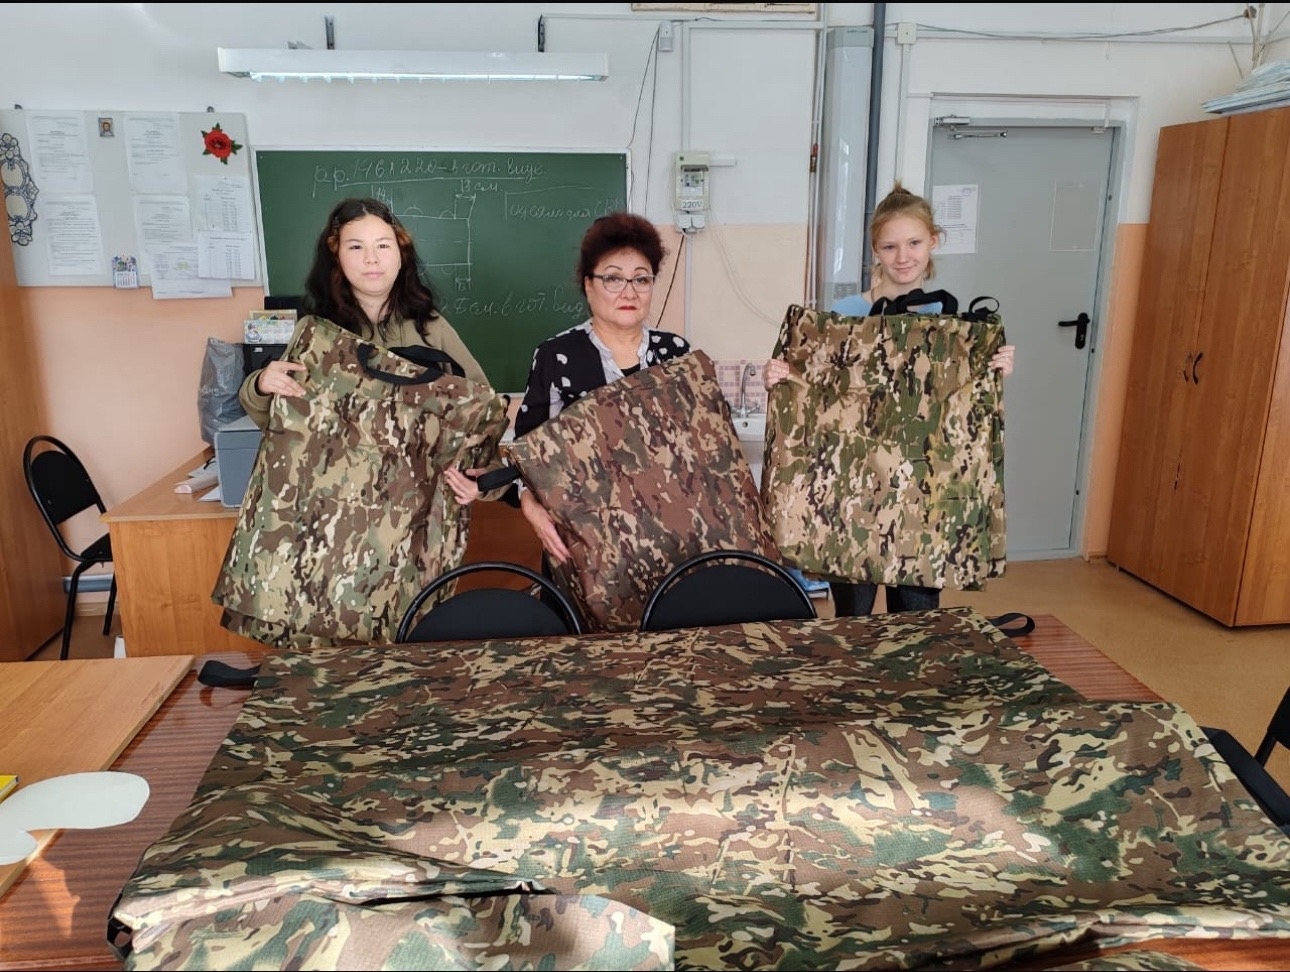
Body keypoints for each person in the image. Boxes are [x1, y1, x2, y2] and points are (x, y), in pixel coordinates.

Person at [763, 182, 1016, 617]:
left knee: (915, 621)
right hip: (851, 493)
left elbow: (964, 405)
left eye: (914, 243)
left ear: (933, 241)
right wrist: (782, 377)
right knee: (853, 620)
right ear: (875, 251)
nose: (903, 257)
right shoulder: (842, 316)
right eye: (890, 246)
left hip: (924, 495)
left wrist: (995, 366)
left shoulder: (954, 323)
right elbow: (813, 387)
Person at [238, 196, 487, 505]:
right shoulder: (315, 332)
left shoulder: (431, 327)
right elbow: (281, 422)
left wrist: (480, 480)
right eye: (356, 247)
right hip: (338, 508)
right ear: (337, 257)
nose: (372, 258)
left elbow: (480, 407)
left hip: (418, 503)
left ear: (401, 255)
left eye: (383, 245)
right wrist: (262, 385)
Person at [512, 211, 690, 565]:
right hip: (586, 540)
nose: (629, 292)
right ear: (588, 285)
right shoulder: (557, 356)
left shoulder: (674, 353)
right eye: (613, 278)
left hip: (667, 537)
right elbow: (528, 454)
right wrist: (531, 507)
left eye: (641, 279)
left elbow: (695, 446)